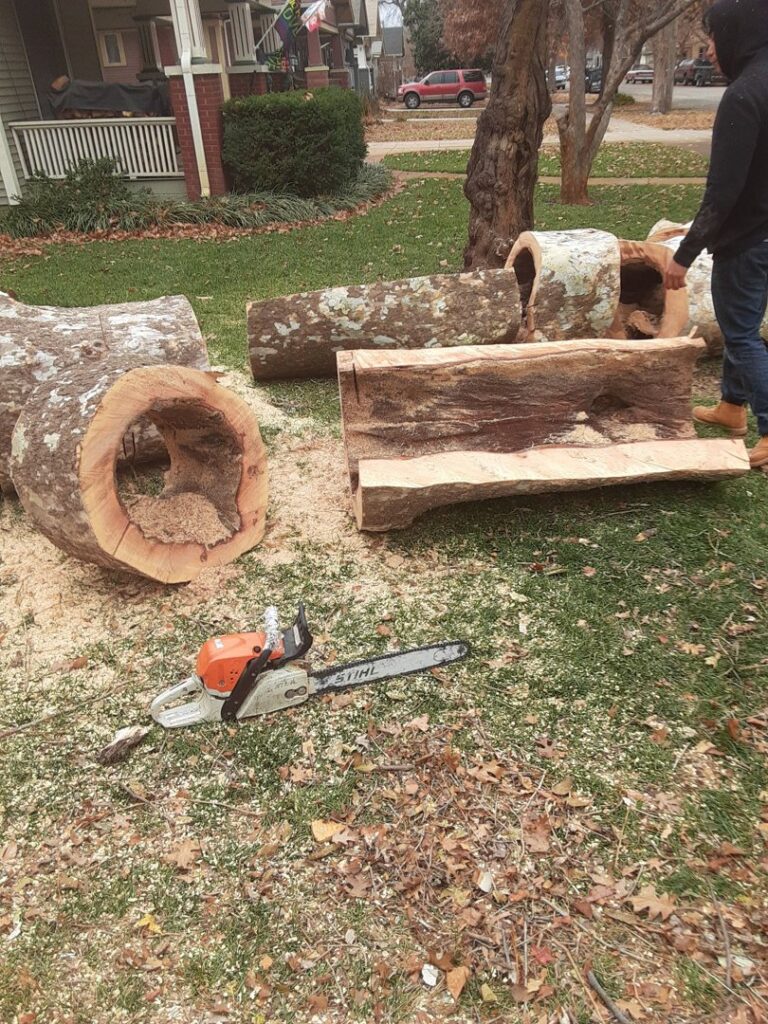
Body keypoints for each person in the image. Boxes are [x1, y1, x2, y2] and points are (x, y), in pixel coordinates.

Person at [663, 0, 768, 469]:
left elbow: (722, 191)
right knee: (739, 323)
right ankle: (731, 406)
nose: (708, 49)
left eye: (712, 37)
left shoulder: (745, 94)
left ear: (735, 34)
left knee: (741, 333)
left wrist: (683, 255)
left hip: (748, 239)